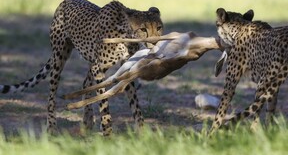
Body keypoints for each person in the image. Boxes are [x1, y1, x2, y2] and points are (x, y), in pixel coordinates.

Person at [64, 32, 222, 109]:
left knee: (115, 83)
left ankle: (79, 102)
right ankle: (80, 96)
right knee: (113, 78)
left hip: (153, 65)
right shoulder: (190, 35)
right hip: (149, 54)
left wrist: (157, 58)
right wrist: (122, 40)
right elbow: (164, 38)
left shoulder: (194, 54)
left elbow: (172, 59)